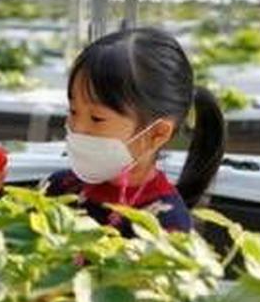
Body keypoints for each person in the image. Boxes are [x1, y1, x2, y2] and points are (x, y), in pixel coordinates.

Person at [41, 27, 225, 233]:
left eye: (97, 118)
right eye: (73, 111)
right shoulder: (59, 187)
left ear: (157, 134)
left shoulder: (165, 226)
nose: (77, 128)